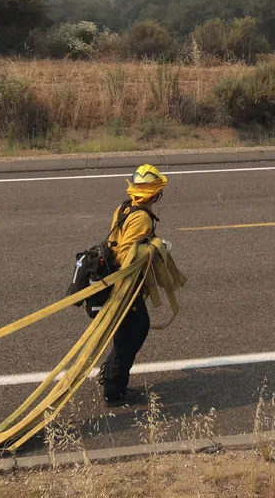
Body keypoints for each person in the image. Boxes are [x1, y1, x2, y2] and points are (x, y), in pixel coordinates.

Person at [99, 163, 167, 407]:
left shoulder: (124, 208)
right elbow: (127, 255)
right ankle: (114, 391)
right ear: (154, 194)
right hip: (124, 283)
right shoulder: (141, 219)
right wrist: (157, 247)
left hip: (115, 279)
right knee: (133, 332)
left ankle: (109, 374)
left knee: (127, 330)